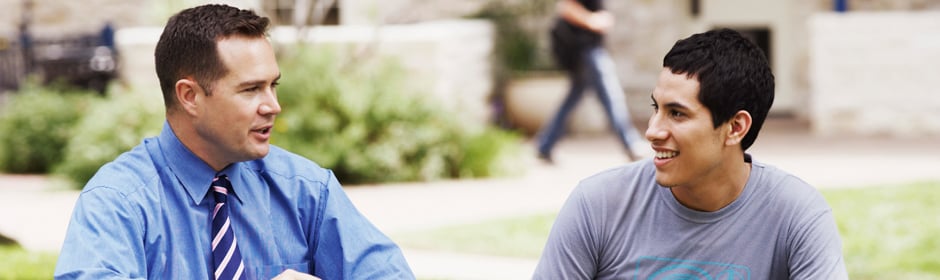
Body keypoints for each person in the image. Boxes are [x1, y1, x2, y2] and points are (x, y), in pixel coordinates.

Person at [54, 4, 414, 279]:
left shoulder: (306, 190)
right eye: (251, 89)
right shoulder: (117, 205)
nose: (273, 106)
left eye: (273, 85)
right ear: (190, 96)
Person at [532, 29, 848, 279]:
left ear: (735, 127)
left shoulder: (797, 215)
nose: (653, 131)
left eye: (677, 114)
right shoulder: (597, 205)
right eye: (656, 108)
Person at [539, 0, 648, 163]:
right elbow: (566, 7)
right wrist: (593, 20)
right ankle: (630, 143)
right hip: (587, 51)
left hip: (588, 50)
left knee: (572, 99)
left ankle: (545, 145)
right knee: (611, 97)